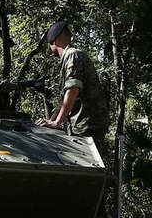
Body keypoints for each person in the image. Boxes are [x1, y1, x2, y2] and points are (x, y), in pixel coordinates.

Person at [37, 22, 111, 162]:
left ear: (53, 41)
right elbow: (66, 98)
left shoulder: (72, 56)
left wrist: (56, 123)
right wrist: (51, 120)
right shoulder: (73, 56)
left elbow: (72, 91)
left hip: (88, 126)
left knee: (88, 171)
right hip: (86, 125)